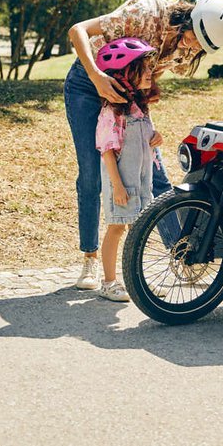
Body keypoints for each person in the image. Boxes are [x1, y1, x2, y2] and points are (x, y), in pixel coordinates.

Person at [65, 0, 223, 291]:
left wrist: (145, 126)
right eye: (193, 39)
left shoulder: (187, 48)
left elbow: (146, 79)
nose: (192, 48)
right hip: (88, 84)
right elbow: (77, 29)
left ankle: (181, 254)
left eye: (200, 48)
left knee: (157, 175)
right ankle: (90, 259)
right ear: (189, 19)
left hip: (128, 97)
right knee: (92, 174)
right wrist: (96, 77)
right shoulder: (144, 12)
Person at [92, 37, 162, 301]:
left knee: (139, 231)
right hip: (121, 183)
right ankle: (108, 282)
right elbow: (107, 151)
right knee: (117, 228)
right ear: (124, 73)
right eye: (142, 69)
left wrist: (156, 138)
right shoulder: (113, 110)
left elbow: (146, 139)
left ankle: (138, 282)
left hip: (142, 183)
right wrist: (118, 187)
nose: (149, 74)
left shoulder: (140, 108)